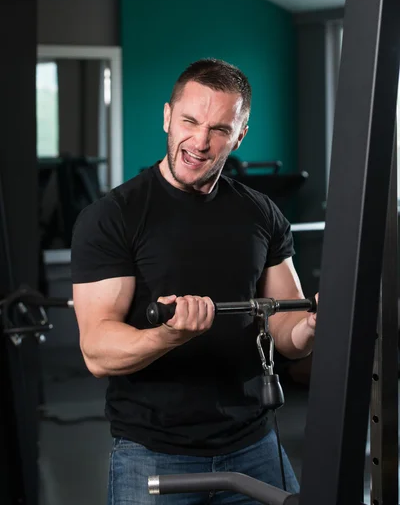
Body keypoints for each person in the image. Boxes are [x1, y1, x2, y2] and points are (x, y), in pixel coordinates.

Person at [71, 58, 317, 505]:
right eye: (190, 121)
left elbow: (285, 328)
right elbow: (97, 351)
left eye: (220, 129)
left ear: (240, 135)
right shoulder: (113, 216)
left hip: (254, 445)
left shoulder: (262, 214)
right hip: (154, 453)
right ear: (167, 116)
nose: (200, 142)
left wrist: (312, 326)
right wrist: (169, 334)